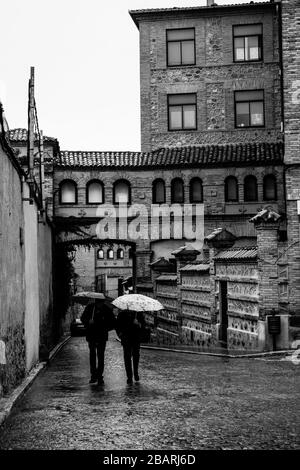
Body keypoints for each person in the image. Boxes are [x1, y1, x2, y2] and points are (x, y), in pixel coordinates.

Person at [80, 299, 115, 385]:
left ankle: (100, 376)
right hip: (91, 335)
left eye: (101, 303)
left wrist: (105, 326)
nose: (99, 304)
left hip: (102, 336)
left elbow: (113, 323)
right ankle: (93, 376)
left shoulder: (107, 309)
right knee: (92, 355)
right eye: (98, 303)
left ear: (103, 302)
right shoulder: (90, 308)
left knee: (100, 356)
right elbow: (83, 318)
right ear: (96, 302)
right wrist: (88, 322)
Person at [116, 310, 146, 385]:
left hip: (136, 338)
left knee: (136, 356)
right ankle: (129, 376)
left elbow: (143, 325)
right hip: (126, 338)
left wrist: (138, 324)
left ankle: (135, 372)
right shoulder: (122, 314)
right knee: (127, 357)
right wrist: (120, 334)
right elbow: (117, 325)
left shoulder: (138, 313)